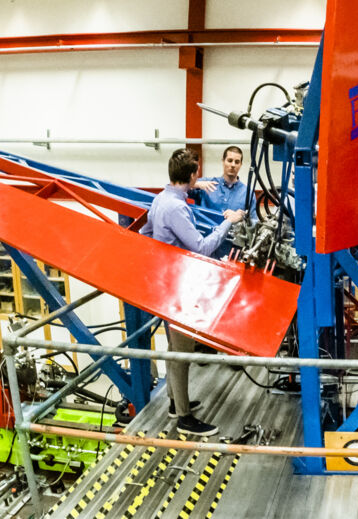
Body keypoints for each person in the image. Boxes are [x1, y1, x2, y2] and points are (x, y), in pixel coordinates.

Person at [140, 147, 247, 436]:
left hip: (167, 281)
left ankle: (176, 402)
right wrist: (229, 221)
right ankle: (185, 418)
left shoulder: (161, 199)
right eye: (195, 173)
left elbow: (145, 235)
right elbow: (201, 247)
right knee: (182, 350)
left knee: (175, 347)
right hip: (179, 288)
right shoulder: (175, 207)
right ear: (190, 175)